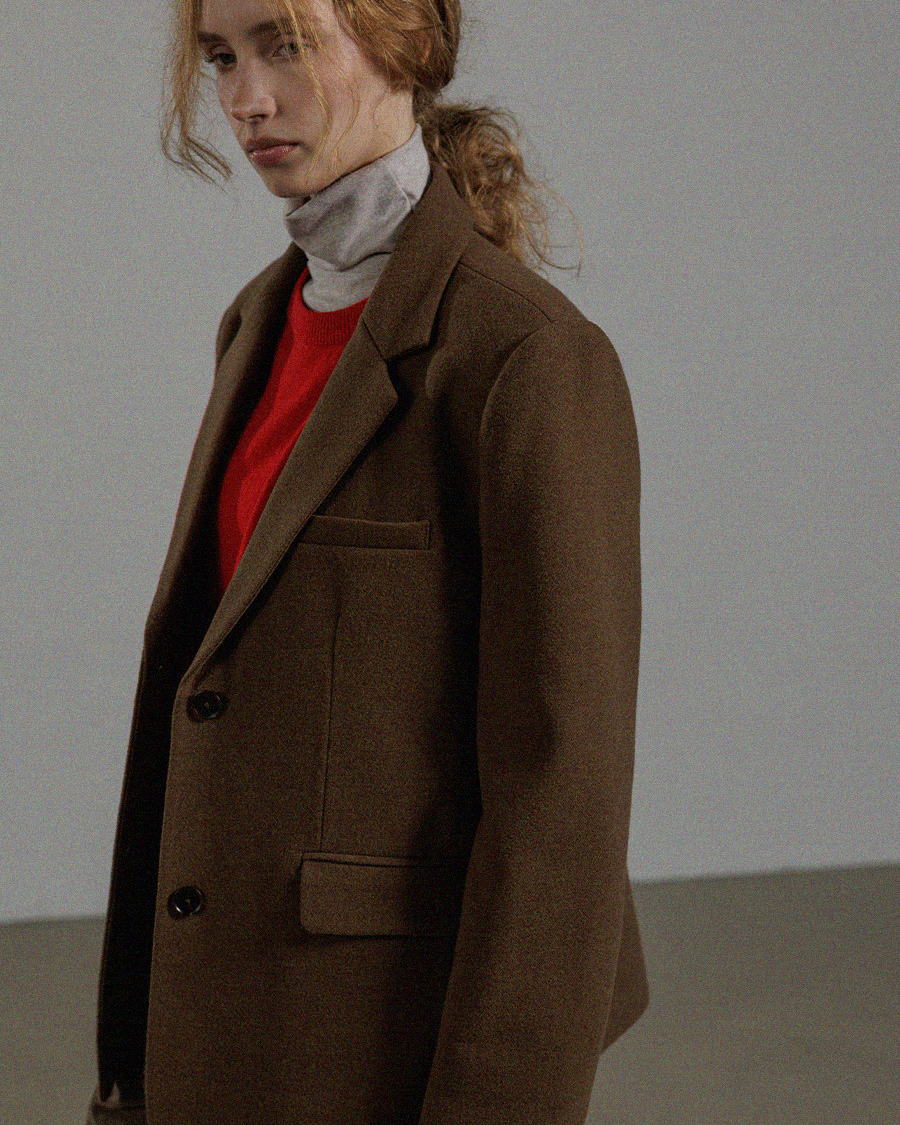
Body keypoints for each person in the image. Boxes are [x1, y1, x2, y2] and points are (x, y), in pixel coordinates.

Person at [84, 0, 649, 1121]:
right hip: (219, 1009)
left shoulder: (527, 358)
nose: (247, 99)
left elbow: (562, 793)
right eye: (221, 58)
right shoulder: (258, 319)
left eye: (285, 45)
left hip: (374, 1035)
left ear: (409, 44)